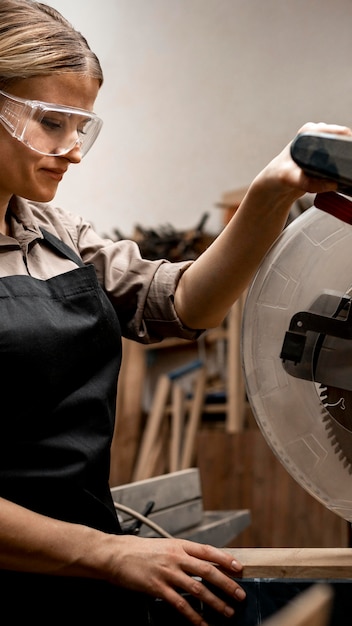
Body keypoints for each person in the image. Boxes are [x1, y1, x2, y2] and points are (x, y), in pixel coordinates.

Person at [0, 0, 350, 623]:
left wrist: (274, 191)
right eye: (53, 122)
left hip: (77, 570)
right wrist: (106, 552)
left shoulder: (52, 233)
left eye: (83, 126)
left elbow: (183, 304)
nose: (74, 150)